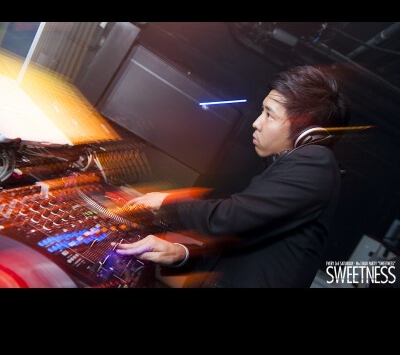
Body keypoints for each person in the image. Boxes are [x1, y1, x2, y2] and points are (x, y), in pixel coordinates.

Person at [112, 65, 351, 288]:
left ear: (306, 130)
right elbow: (240, 247)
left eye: (269, 115)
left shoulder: (316, 161)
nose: (256, 123)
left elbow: (229, 218)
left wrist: (166, 202)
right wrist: (180, 253)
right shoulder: (306, 170)